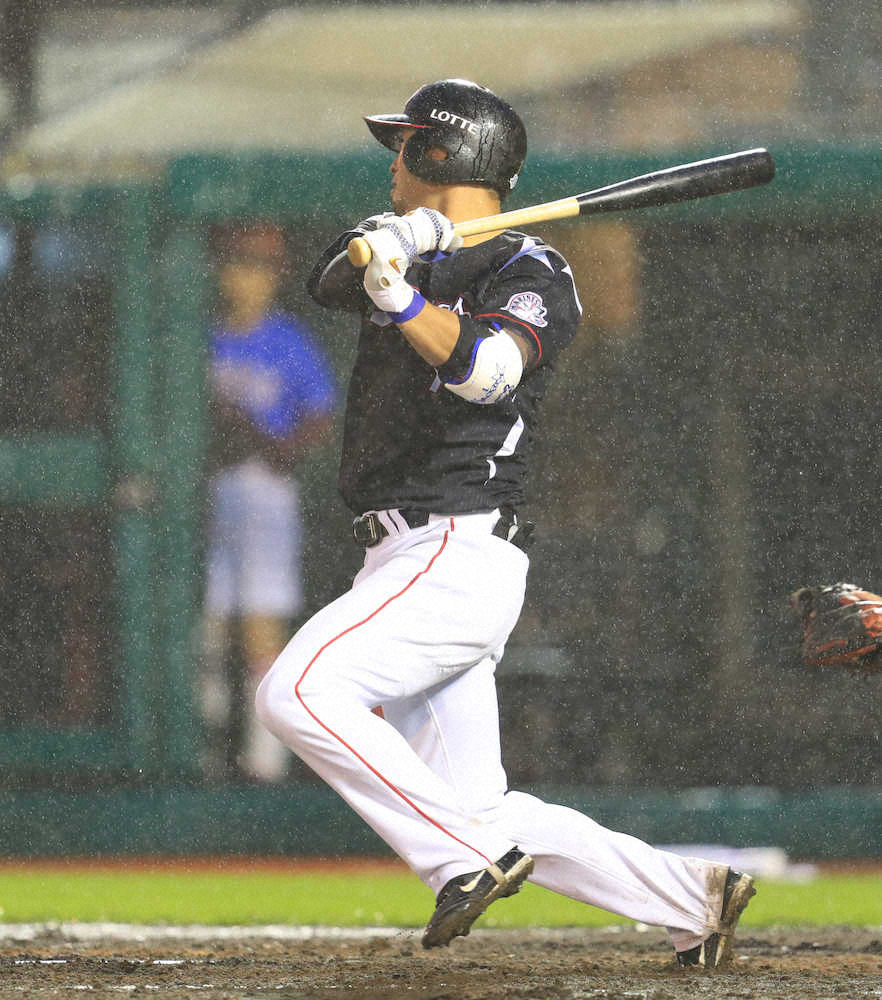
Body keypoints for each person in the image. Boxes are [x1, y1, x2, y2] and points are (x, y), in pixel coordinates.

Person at [255, 79, 755, 962]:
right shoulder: (397, 241)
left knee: (298, 692)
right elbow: (332, 276)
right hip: (400, 558)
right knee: (480, 804)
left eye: (406, 145)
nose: (394, 162)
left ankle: (458, 860)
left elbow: (488, 371)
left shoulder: (531, 269)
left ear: (443, 154)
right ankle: (694, 896)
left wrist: (407, 300)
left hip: (454, 547)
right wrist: (401, 244)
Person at [201, 223, 336, 782]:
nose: (247, 278)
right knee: (208, 627)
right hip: (208, 489)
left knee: (260, 622)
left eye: (258, 267)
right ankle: (204, 756)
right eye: (239, 264)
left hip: (264, 490)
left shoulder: (287, 339)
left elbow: (321, 416)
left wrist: (276, 445)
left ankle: (264, 762)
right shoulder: (203, 335)